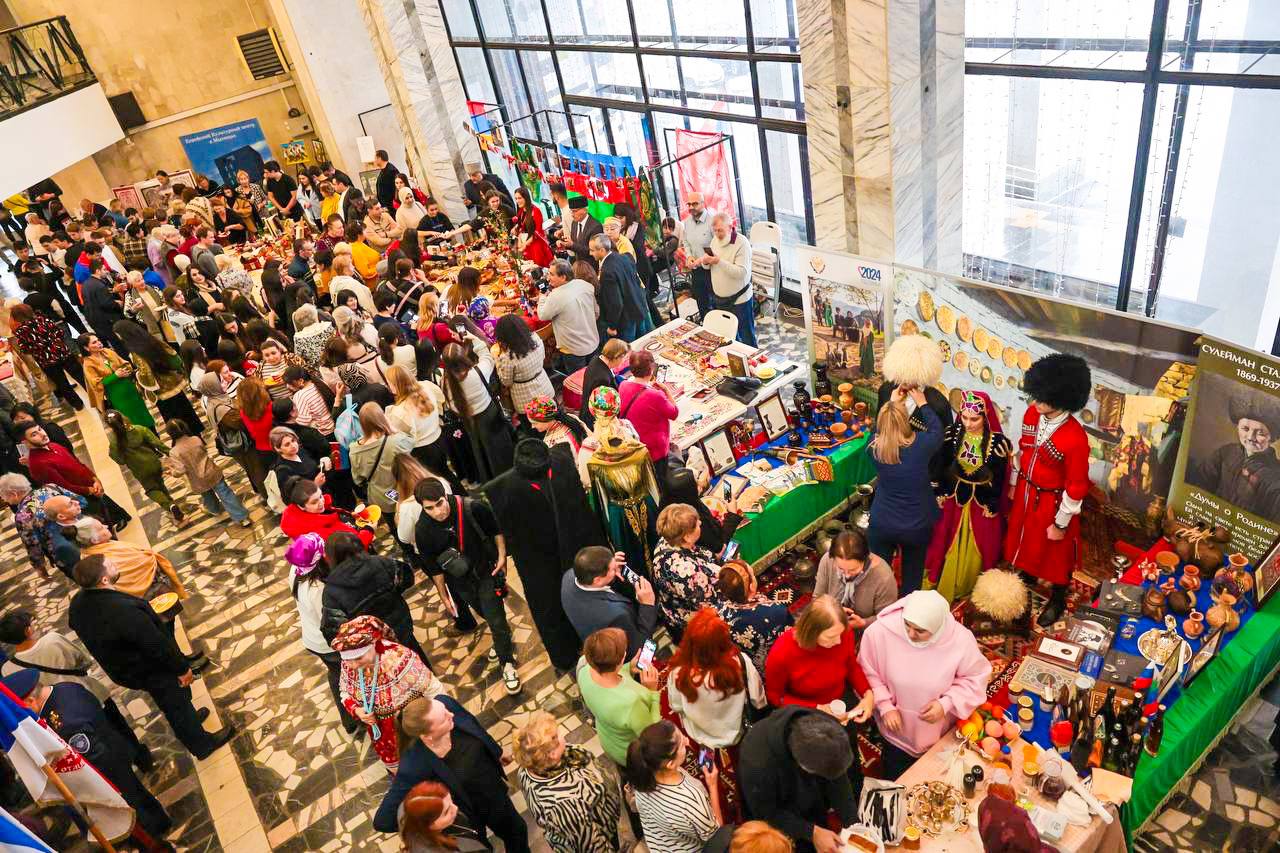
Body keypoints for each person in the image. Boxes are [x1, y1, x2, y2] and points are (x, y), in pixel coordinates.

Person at [68, 554, 235, 758]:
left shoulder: (78, 603)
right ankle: (202, 744)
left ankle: (192, 720)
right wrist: (182, 668)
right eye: (110, 565)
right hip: (150, 668)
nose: (115, 564)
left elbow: (76, 624)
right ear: (104, 579)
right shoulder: (123, 610)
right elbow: (155, 645)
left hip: (123, 667)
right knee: (175, 704)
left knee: (178, 701)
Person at [2, 668, 173, 841]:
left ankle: (154, 838)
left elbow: (94, 759)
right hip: (115, 748)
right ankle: (160, 822)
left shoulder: (65, 724)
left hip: (110, 773)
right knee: (138, 792)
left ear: (30, 700)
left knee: (132, 808)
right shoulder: (63, 688)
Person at [486, 439, 607, 673]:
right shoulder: (504, 490)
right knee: (549, 608)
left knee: (592, 593)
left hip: (577, 543)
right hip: (539, 561)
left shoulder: (561, 460)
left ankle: (602, 639)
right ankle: (565, 656)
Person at [857, 590, 992, 779]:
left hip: (938, 734)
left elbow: (975, 678)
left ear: (938, 628)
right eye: (907, 625)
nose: (911, 634)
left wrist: (946, 704)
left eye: (920, 631)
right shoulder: (879, 632)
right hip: (895, 732)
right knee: (894, 776)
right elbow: (866, 672)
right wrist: (885, 706)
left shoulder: (961, 640)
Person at [1003, 354, 1093, 627]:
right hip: (1027, 493)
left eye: (1042, 398)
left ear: (1062, 398)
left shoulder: (1076, 438)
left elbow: (1076, 487)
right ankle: (1028, 573)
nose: (1035, 402)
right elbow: (1023, 450)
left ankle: (1058, 597)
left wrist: (1061, 523)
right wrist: (1014, 484)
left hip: (1053, 504)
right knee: (1025, 539)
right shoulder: (1032, 414)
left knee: (1056, 555)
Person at [376, 696, 530, 853]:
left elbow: (473, 726)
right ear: (427, 736)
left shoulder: (445, 704)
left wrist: (496, 751)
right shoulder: (413, 765)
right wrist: (428, 823)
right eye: (444, 718)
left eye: (445, 710)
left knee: (517, 832)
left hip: (493, 794)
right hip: (467, 817)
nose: (450, 714)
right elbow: (383, 820)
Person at [414, 479, 522, 693]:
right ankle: (502, 637)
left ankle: (507, 663)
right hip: (459, 581)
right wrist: (444, 595)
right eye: (429, 508)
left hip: (485, 572)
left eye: (439, 503)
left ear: (445, 496)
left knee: (495, 618)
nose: (437, 511)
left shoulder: (471, 507)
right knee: (486, 614)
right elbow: (433, 567)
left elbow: (495, 530)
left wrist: (502, 556)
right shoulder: (423, 530)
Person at [666, 607, 765, 823]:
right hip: (737, 734)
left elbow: (675, 706)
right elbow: (758, 700)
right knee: (742, 767)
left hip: (702, 739)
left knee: (707, 769)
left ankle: (717, 799)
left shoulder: (678, 673)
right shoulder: (740, 664)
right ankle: (745, 799)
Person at [924, 391, 1012, 602]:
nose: (968, 423)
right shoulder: (952, 434)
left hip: (981, 502)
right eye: (964, 417)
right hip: (953, 498)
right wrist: (938, 490)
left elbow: (1000, 476)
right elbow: (941, 465)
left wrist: (993, 503)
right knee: (943, 539)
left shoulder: (998, 443)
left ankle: (968, 584)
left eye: (974, 419)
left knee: (982, 544)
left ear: (985, 416)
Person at [331, 616, 443, 772]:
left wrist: (444, 720)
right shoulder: (348, 665)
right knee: (404, 772)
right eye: (348, 660)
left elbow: (433, 689)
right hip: (384, 736)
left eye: (359, 658)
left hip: (413, 728)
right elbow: (344, 691)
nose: (354, 665)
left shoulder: (399, 658)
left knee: (431, 765)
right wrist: (357, 710)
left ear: (373, 644)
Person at [738, 707, 858, 853]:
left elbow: (839, 780)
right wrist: (810, 832)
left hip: (810, 798)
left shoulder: (825, 725)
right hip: (775, 811)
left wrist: (853, 824)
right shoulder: (756, 763)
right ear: (803, 766)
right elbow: (767, 813)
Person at [868, 385, 942, 596]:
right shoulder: (922, 444)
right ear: (905, 421)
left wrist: (891, 403)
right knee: (912, 577)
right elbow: (937, 431)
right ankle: (908, 609)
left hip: (883, 522)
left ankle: (879, 608)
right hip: (916, 524)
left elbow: (878, 431)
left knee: (877, 575)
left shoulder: (873, 448)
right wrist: (922, 403)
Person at [514, 710, 623, 853]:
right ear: (552, 754)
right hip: (603, 831)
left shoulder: (529, 766)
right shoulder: (564, 805)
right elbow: (590, 845)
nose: (562, 735)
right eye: (556, 735)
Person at [281, 534, 358, 734]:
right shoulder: (318, 590)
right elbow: (330, 621)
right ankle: (354, 716)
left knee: (336, 674)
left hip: (312, 639)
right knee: (348, 677)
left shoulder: (296, 570)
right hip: (327, 644)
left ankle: (349, 720)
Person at [584, 385, 660, 572]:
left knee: (630, 556)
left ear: (592, 411)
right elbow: (650, 480)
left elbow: (590, 487)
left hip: (619, 512)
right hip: (645, 501)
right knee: (655, 544)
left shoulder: (589, 447)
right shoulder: (629, 430)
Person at [624, 720, 723, 852]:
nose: (687, 741)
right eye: (682, 744)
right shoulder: (690, 799)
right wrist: (712, 785)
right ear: (670, 764)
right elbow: (718, 838)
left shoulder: (640, 777)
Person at [17, 420, 131, 526]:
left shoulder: (54, 445)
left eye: (40, 429)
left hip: (93, 488)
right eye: (34, 434)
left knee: (116, 515)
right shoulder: (38, 464)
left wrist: (95, 479)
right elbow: (63, 487)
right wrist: (90, 490)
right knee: (104, 529)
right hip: (82, 501)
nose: (42, 434)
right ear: (25, 442)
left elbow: (78, 463)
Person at [1188, 391, 1280, 522]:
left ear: (1273, 437)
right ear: (1237, 428)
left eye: (1260, 433)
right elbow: (1199, 484)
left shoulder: (1276, 476)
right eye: (1245, 429)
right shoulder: (1225, 453)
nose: (1250, 437)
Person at [578, 627, 661, 766]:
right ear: (622, 658)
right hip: (632, 753)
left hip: (608, 739)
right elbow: (653, 734)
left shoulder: (584, 670)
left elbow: (606, 674)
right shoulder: (631, 703)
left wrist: (628, 668)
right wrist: (652, 691)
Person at [561, 545, 657, 659]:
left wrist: (608, 565)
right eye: (612, 569)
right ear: (597, 579)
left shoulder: (569, 577)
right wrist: (647, 605)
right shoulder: (616, 616)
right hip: (623, 656)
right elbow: (640, 648)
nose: (616, 567)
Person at [112, 320, 204, 437]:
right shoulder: (154, 340)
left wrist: (136, 375)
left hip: (162, 391)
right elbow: (174, 357)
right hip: (174, 382)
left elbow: (146, 373)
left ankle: (182, 438)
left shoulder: (136, 353)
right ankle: (197, 435)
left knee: (173, 417)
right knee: (186, 410)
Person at [439, 338, 513, 482]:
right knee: (500, 448)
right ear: (463, 356)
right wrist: (473, 339)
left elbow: (452, 406)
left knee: (481, 451)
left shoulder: (446, 382)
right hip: (490, 414)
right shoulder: (478, 372)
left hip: (470, 421)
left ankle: (491, 480)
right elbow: (487, 356)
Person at [651, 503, 723, 637]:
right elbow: (709, 606)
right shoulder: (686, 571)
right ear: (687, 536)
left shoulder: (666, 540)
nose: (700, 523)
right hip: (693, 626)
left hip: (674, 607)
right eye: (696, 524)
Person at [163, 418, 250, 526]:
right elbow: (204, 451)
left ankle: (214, 509)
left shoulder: (174, 452)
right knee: (226, 494)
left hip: (197, 479)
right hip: (211, 471)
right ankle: (242, 517)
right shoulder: (196, 439)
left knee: (207, 495)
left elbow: (181, 470)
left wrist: (172, 472)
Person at [714, 561, 794, 675]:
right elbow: (790, 642)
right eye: (753, 575)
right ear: (751, 586)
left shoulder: (717, 610)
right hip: (767, 672)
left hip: (740, 669)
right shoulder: (776, 612)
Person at [0, 473, 85, 579]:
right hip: (87, 533)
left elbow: (33, 545)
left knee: (85, 579)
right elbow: (82, 502)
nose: (4, 500)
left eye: (3, 496)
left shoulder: (22, 515)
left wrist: (40, 568)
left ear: (14, 494)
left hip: (65, 553)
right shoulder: (51, 487)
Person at [104, 410, 183, 522]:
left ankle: (170, 506)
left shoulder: (114, 442)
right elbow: (157, 444)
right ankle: (172, 505)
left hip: (140, 470)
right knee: (160, 485)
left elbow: (120, 461)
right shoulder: (139, 429)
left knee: (151, 490)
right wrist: (172, 454)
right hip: (154, 463)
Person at [810, 530, 898, 628]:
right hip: (831, 621)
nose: (847, 576)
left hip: (869, 629)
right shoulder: (827, 560)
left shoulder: (883, 577)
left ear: (865, 559)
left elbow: (887, 618)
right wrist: (831, 611)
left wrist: (864, 623)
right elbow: (817, 598)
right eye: (840, 569)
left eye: (853, 570)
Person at [8, 303, 84, 410]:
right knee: (80, 375)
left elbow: (25, 349)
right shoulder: (43, 319)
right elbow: (60, 333)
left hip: (46, 361)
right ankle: (97, 396)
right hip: (63, 352)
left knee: (62, 383)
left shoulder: (21, 331)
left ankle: (77, 404)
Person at [619, 350, 679, 482]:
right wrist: (666, 390)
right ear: (651, 369)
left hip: (635, 445)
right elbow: (674, 413)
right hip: (655, 450)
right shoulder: (655, 395)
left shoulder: (623, 385)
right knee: (660, 481)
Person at [659, 467, 743, 557]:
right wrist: (732, 514)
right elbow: (720, 547)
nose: (699, 484)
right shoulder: (689, 522)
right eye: (694, 484)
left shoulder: (677, 503)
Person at [538, 259, 599, 374]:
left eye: (552, 274)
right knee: (595, 377)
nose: (548, 278)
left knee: (578, 382)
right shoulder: (585, 285)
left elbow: (542, 315)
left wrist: (542, 297)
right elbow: (596, 312)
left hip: (573, 351)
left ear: (563, 277)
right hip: (593, 343)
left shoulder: (555, 296)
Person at [280, 476, 375, 548]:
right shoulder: (316, 534)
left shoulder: (318, 510)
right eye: (314, 502)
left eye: (320, 496)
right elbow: (352, 549)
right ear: (301, 507)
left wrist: (350, 516)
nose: (321, 502)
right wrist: (368, 531)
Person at [397, 780, 490, 851]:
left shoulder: (412, 807)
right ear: (428, 825)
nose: (455, 808)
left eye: (451, 801)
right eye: (446, 812)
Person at [494, 313, 554, 418]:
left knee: (534, 426)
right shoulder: (535, 338)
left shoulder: (507, 357)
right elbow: (543, 357)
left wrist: (498, 362)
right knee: (552, 417)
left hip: (525, 399)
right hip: (545, 387)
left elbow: (506, 382)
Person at [591, 234, 649, 342]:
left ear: (602, 250)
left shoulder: (607, 272)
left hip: (626, 320)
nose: (590, 253)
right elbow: (636, 282)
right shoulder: (625, 257)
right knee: (644, 344)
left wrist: (612, 326)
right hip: (638, 309)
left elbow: (616, 303)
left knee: (628, 350)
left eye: (592, 250)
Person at [579, 338, 629, 427]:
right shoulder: (602, 379)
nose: (624, 361)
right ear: (617, 357)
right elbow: (603, 406)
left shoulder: (597, 358)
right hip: (596, 419)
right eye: (624, 358)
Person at [679, 193, 715, 318]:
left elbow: (719, 246)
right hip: (696, 269)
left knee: (716, 302)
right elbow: (686, 242)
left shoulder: (712, 221)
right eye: (688, 204)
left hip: (712, 269)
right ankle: (706, 324)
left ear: (703, 204)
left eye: (694, 204)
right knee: (701, 301)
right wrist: (689, 256)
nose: (691, 207)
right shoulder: (687, 222)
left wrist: (704, 259)